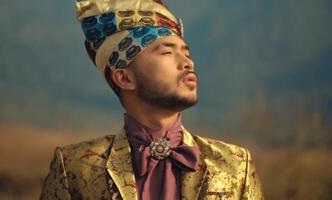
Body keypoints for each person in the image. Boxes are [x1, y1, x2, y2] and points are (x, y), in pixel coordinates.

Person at [40, 0, 264, 199]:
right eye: (167, 52)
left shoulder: (234, 165)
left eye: (186, 53)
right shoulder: (76, 167)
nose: (188, 63)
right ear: (124, 78)